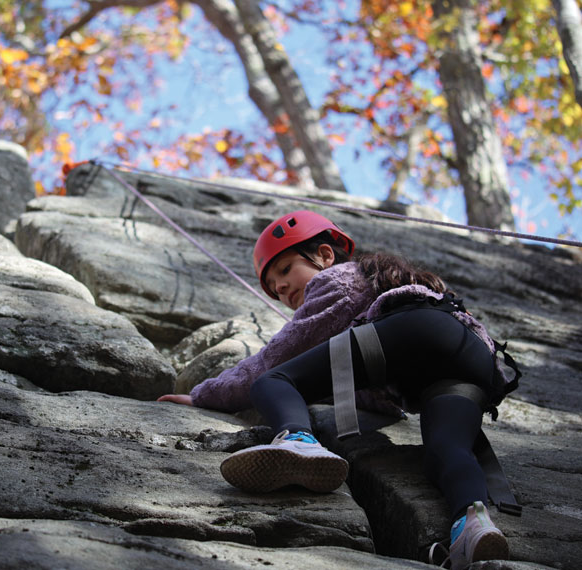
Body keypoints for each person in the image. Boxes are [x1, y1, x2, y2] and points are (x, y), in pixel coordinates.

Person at [158, 210, 516, 569]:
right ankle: (471, 524)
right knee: (446, 450)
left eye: (284, 270)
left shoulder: (339, 280)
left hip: (411, 331)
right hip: (470, 356)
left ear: (326, 256)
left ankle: (299, 441)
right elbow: (374, 396)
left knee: (272, 381)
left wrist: (202, 395)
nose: (281, 289)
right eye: (274, 288)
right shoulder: (375, 284)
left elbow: (273, 359)